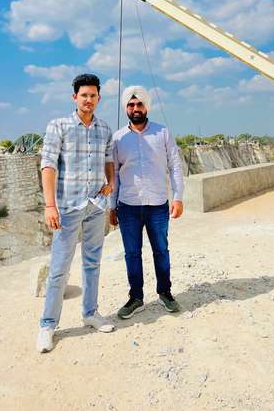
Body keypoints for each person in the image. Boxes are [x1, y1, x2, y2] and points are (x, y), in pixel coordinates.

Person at [36, 73, 115, 353]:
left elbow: (108, 160)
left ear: (98, 98)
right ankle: (48, 325)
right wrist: (50, 205)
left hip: (95, 207)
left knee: (92, 263)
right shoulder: (58, 126)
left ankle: (90, 313)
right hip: (67, 208)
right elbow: (48, 165)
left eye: (93, 95)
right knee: (59, 268)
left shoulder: (104, 129)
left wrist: (111, 183)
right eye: (84, 95)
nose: (89, 100)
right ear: (74, 97)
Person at [109, 86, 184, 319]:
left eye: (139, 104)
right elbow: (114, 175)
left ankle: (165, 293)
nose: (135, 109)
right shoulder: (118, 138)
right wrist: (112, 206)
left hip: (158, 205)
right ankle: (136, 298)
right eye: (131, 105)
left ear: (146, 107)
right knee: (132, 254)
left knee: (161, 250)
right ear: (126, 109)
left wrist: (178, 197)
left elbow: (175, 166)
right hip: (128, 206)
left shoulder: (162, 133)